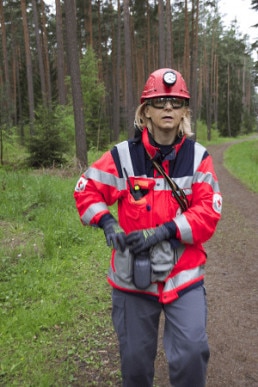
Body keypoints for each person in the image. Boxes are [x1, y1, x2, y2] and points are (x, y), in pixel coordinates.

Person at [74, 68, 222, 387]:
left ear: (184, 111)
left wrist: (164, 231)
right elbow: (86, 189)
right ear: (146, 112)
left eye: (175, 101)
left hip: (183, 275)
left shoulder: (199, 159)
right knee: (136, 365)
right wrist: (107, 221)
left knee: (192, 353)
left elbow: (208, 213)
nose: (167, 107)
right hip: (133, 279)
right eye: (159, 102)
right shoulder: (123, 156)